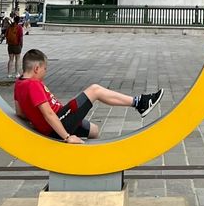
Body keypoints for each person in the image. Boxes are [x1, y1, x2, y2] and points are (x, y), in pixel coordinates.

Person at [13, 48, 165, 142]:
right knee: (95, 90)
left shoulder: (19, 84)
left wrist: (35, 121)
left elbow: (20, 112)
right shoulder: (33, 84)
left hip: (61, 119)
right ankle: (140, 103)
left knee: (94, 131)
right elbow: (49, 115)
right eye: (45, 69)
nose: (45, 73)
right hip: (59, 122)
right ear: (37, 68)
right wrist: (67, 137)